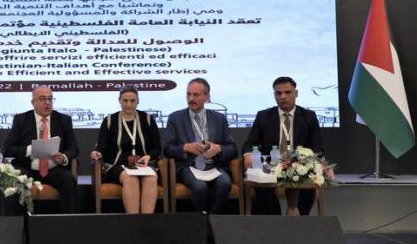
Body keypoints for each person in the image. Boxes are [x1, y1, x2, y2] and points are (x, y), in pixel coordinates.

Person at [241, 76, 324, 216]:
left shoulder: (308, 116)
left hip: (299, 166)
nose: (283, 97)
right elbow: (249, 143)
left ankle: (298, 223)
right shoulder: (263, 116)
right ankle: (276, 222)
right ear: (274, 95)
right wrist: (248, 154)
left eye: (287, 92)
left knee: (307, 188)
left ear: (295, 93)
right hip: (271, 167)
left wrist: (304, 161)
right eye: (278, 93)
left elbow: (318, 147)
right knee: (262, 190)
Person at [163, 78, 237, 214]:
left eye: (195, 95)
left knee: (225, 183)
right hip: (189, 166)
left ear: (207, 97)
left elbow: (232, 149)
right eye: (188, 94)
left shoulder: (219, 118)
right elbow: (167, 150)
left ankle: (211, 219)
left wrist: (219, 149)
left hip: (214, 166)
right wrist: (184, 148)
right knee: (199, 187)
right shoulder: (175, 118)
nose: (191, 98)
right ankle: (201, 220)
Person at [3, 86, 79, 214]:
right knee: (15, 180)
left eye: (50, 99)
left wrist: (63, 157)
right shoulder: (21, 120)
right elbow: (8, 149)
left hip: (54, 169)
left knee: (68, 179)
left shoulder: (63, 120)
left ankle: (69, 222)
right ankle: (16, 223)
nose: (47, 102)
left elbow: (73, 148)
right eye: (43, 99)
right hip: (28, 168)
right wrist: (31, 149)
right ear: (33, 102)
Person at [91, 85, 161, 214]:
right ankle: (133, 222)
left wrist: (149, 156)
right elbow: (101, 147)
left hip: (143, 165)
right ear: (119, 101)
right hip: (117, 166)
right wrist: (96, 153)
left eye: (132, 101)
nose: (129, 104)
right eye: (125, 100)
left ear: (138, 101)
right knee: (130, 178)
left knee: (151, 178)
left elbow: (157, 148)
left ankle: (146, 222)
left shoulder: (147, 119)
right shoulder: (110, 120)